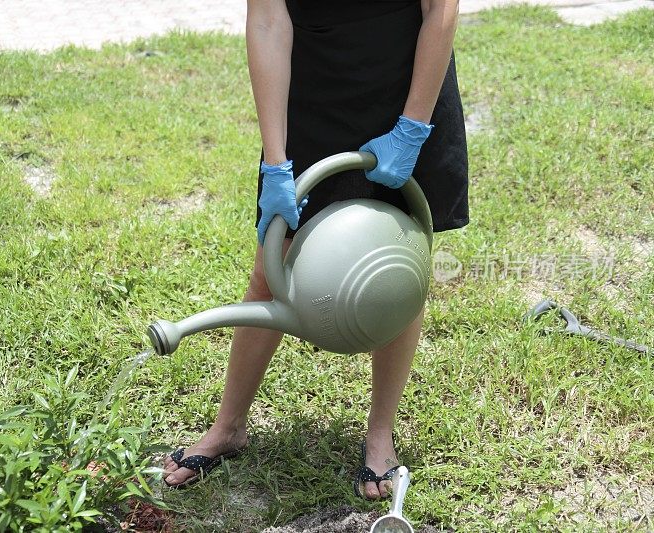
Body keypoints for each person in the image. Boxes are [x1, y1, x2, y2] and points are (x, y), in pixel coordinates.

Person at [164, 0, 468, 501]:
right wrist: (276, 162)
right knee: (272, 268)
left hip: (407, 80)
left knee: (398, 267)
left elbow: (441, 8)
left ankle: (379, 436)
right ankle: (228, 427)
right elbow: (267, 19)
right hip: (314, 88)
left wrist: (412, 126)